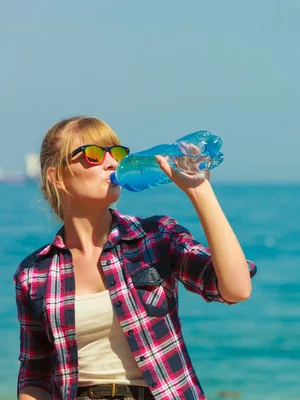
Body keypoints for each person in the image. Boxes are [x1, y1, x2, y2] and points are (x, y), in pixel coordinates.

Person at [14, 116, 257, 400]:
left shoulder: (156, 237)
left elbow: (236, 289)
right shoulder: (33, 273)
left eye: (116, 153)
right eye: (93, 155)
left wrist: (200, 191)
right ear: (57, 176)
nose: (111, 163)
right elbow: (35, 373)